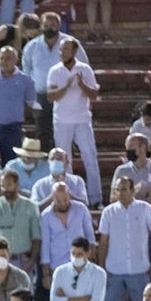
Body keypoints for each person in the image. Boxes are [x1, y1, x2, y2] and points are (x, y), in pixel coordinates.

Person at [47, 37, 101, 208]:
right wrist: (66, 85)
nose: (62, 53)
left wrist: (81, 84)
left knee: (90, 158)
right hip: (62, 121)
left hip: (82, 120)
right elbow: (50, 96)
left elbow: (94, 94)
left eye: (65, 49)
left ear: (74, 51)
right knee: (64, 161)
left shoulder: (84, 69)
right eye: (61, 50)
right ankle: (68, 198)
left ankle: (95, 199)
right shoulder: (55, 70)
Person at [98, 177, 151, 301]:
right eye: (117, 190)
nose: (120, 193)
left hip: (140, 270)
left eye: (124, 189)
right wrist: (101, 268)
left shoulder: (145, 208)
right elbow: (103, 242)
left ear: (133, 191)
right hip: (115, 271)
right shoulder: (108, 212)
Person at [21, 12, 86, 151]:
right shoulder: (31, 47)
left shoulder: (72, 43)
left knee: (65, 132)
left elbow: (83, 67)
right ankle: (46, 165)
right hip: (41, 96)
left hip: (65, 96)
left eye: (53, 25)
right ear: (41, 26)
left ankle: (66, 163)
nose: (49, 28)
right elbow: (26, 73)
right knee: (42, 133)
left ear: (59, 26)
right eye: (46, 25)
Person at [0, 170, 40, 276]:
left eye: (9, 185)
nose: (5, 189)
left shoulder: (30, 206)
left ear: (17, 184)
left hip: (23, 261)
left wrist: (31, 262)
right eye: (2, 186)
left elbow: (36, 237)